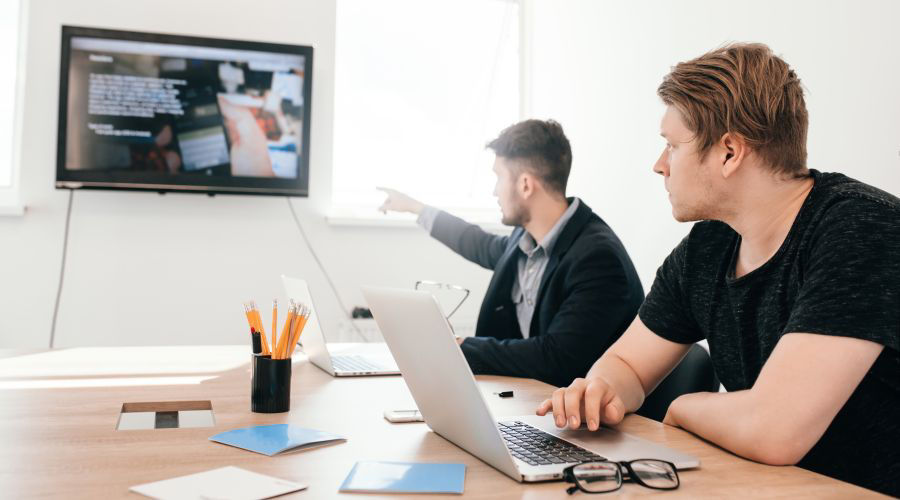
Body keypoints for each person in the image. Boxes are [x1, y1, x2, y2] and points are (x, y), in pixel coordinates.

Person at [536, 43, 900, 496]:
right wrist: (601, 391)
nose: (659, 165)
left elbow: (774, 430)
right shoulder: (709, 246)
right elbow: (628, 363)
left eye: (671, 145)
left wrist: (685, 407)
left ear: (729, 152)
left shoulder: (861, 229)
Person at [379, 119, 644, 387]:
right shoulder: (525, 238)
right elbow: (478, 243)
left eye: (498, 177)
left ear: (526, 185)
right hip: (533, 398)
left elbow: (558, 358)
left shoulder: (597, 259)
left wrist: (461, 347)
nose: (494, 191)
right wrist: (415, 208)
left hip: (591, 420)